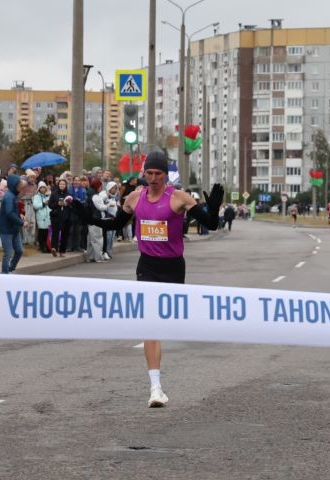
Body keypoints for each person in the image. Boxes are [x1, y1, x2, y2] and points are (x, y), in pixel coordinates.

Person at [74, 150, 222, 408]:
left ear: (166, 175)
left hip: (173, 268)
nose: (152, 178)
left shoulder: (178, 198)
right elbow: (114, 225)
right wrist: (85, 216)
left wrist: (215, 206)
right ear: (143, 173)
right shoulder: (134, 197)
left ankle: (158, 381)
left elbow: (211, 222)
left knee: (169, 323)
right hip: (147, 268)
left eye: (158, 174)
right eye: (149, 173)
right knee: (150, 325)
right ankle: (156, 387)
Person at [0, 174, 25, 274]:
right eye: (19, 183)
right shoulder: (9, 196)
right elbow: (9, 213)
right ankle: (5, 273)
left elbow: (13, 211)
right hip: (6, 230)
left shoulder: (13, 195)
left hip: (14, 229)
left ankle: (10, 267)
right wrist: (21, 222)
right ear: (14, 184)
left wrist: (20, 216)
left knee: (19, 250)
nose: (21, 185)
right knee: (8, 253)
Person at [48, 178, 72, 257]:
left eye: (64, 184)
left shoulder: (69, 194)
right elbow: (50, 205)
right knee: (55, 233)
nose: (62, 185)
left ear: (66, 185)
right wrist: (58, 204)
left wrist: (67, 204)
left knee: (65, 235)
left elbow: (72, 206)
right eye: (61, 184)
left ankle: (62, 251)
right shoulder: (54, 194)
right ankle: (54, 248)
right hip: (56, 216)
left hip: (66, 217)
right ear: (58, 185)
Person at [31, 181, 51, 253]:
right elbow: (35, 206)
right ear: (39, 189)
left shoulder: (49, 196)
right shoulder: (36, 196)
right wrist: (43, 203)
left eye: (44, 188)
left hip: (48, 216)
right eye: (41, 188)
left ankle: (48, 247)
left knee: (48, 233)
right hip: (41, 216)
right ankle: (42, 247)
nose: (43, 189)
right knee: (42, 232)